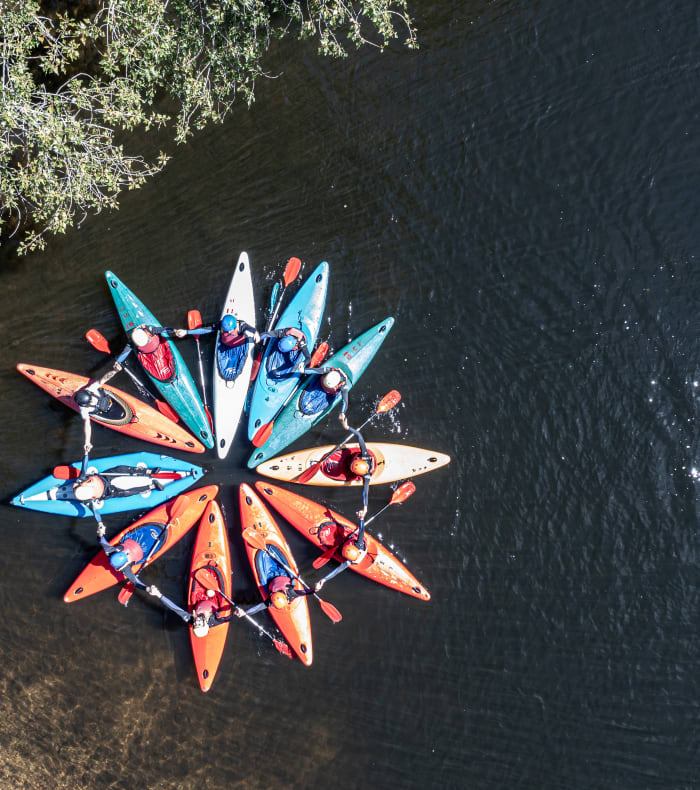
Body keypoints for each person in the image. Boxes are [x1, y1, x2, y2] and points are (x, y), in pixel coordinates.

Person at [95, 517, 191, 621]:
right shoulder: (122, 565)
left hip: (138, 538)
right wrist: (147, 589)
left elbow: (102, 540)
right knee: (154, 543)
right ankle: (162, 531)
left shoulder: (111, 553)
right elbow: (135, 582)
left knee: (153, 536)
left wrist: (100, 531)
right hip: (144, 548)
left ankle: (161, 529)